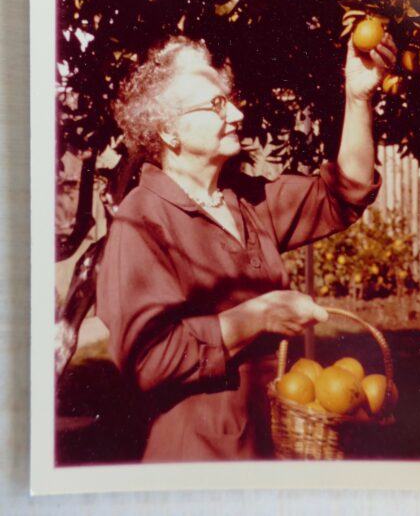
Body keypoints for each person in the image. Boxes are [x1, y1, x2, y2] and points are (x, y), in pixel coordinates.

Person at [96, 31, 397, 462]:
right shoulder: (141, 221)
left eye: (230, 99)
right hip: (198, 460)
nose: (236, 113)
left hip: (268, 444)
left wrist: (357, 97)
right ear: (169, 129)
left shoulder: (247, 201)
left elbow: (346, 192)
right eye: (216, 105)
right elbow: (148, 358)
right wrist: (259, 316)